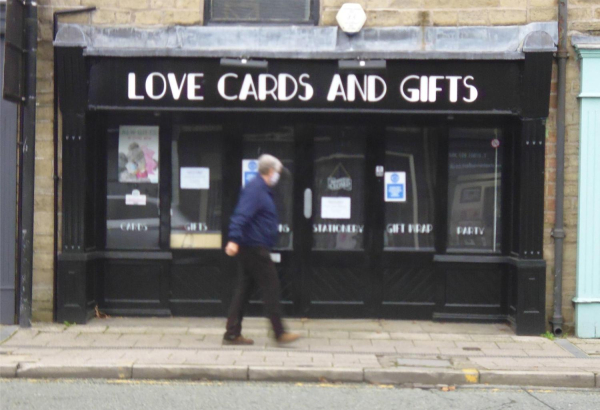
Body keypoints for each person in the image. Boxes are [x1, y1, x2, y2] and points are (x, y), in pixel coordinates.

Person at [223, 154, 300, 345]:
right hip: (253, 248)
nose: (278, 177)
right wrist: (233, 239)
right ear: (271, 171)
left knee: (244, 290)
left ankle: (232, 333)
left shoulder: (262, 189)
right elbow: (241, 215)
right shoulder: (256, 189)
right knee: (271, 286)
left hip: (253, 246)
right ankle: (279, 332)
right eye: (278, 173)